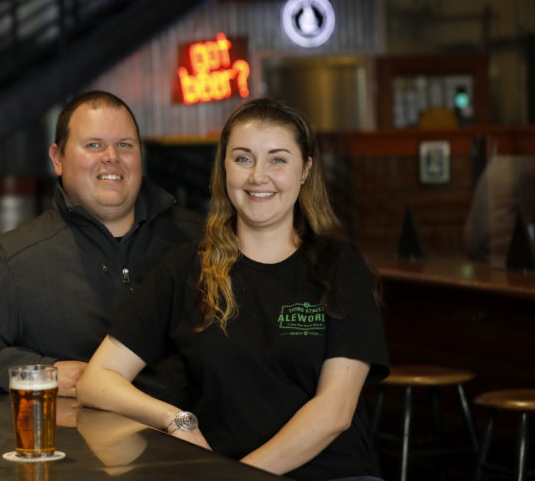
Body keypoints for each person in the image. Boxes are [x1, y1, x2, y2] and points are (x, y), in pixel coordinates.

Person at [77, 98, 389, 481]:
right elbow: (97, 380)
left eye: (278, 159)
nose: (258, 176)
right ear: (224, 168)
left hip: (331, 473)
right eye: (243, 159)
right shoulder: (185, 269)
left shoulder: (340, 267)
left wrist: (238, 475)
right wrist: (176, 419)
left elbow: (335, 412)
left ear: (305, 169)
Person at [0, 90, 204, 399]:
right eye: (94, 145)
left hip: (199, 443)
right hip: (83, 445)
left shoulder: (202, 240)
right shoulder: (12, 261)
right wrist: (42, 372)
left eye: (124, 145)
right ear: (58, 159)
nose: (111, 157)